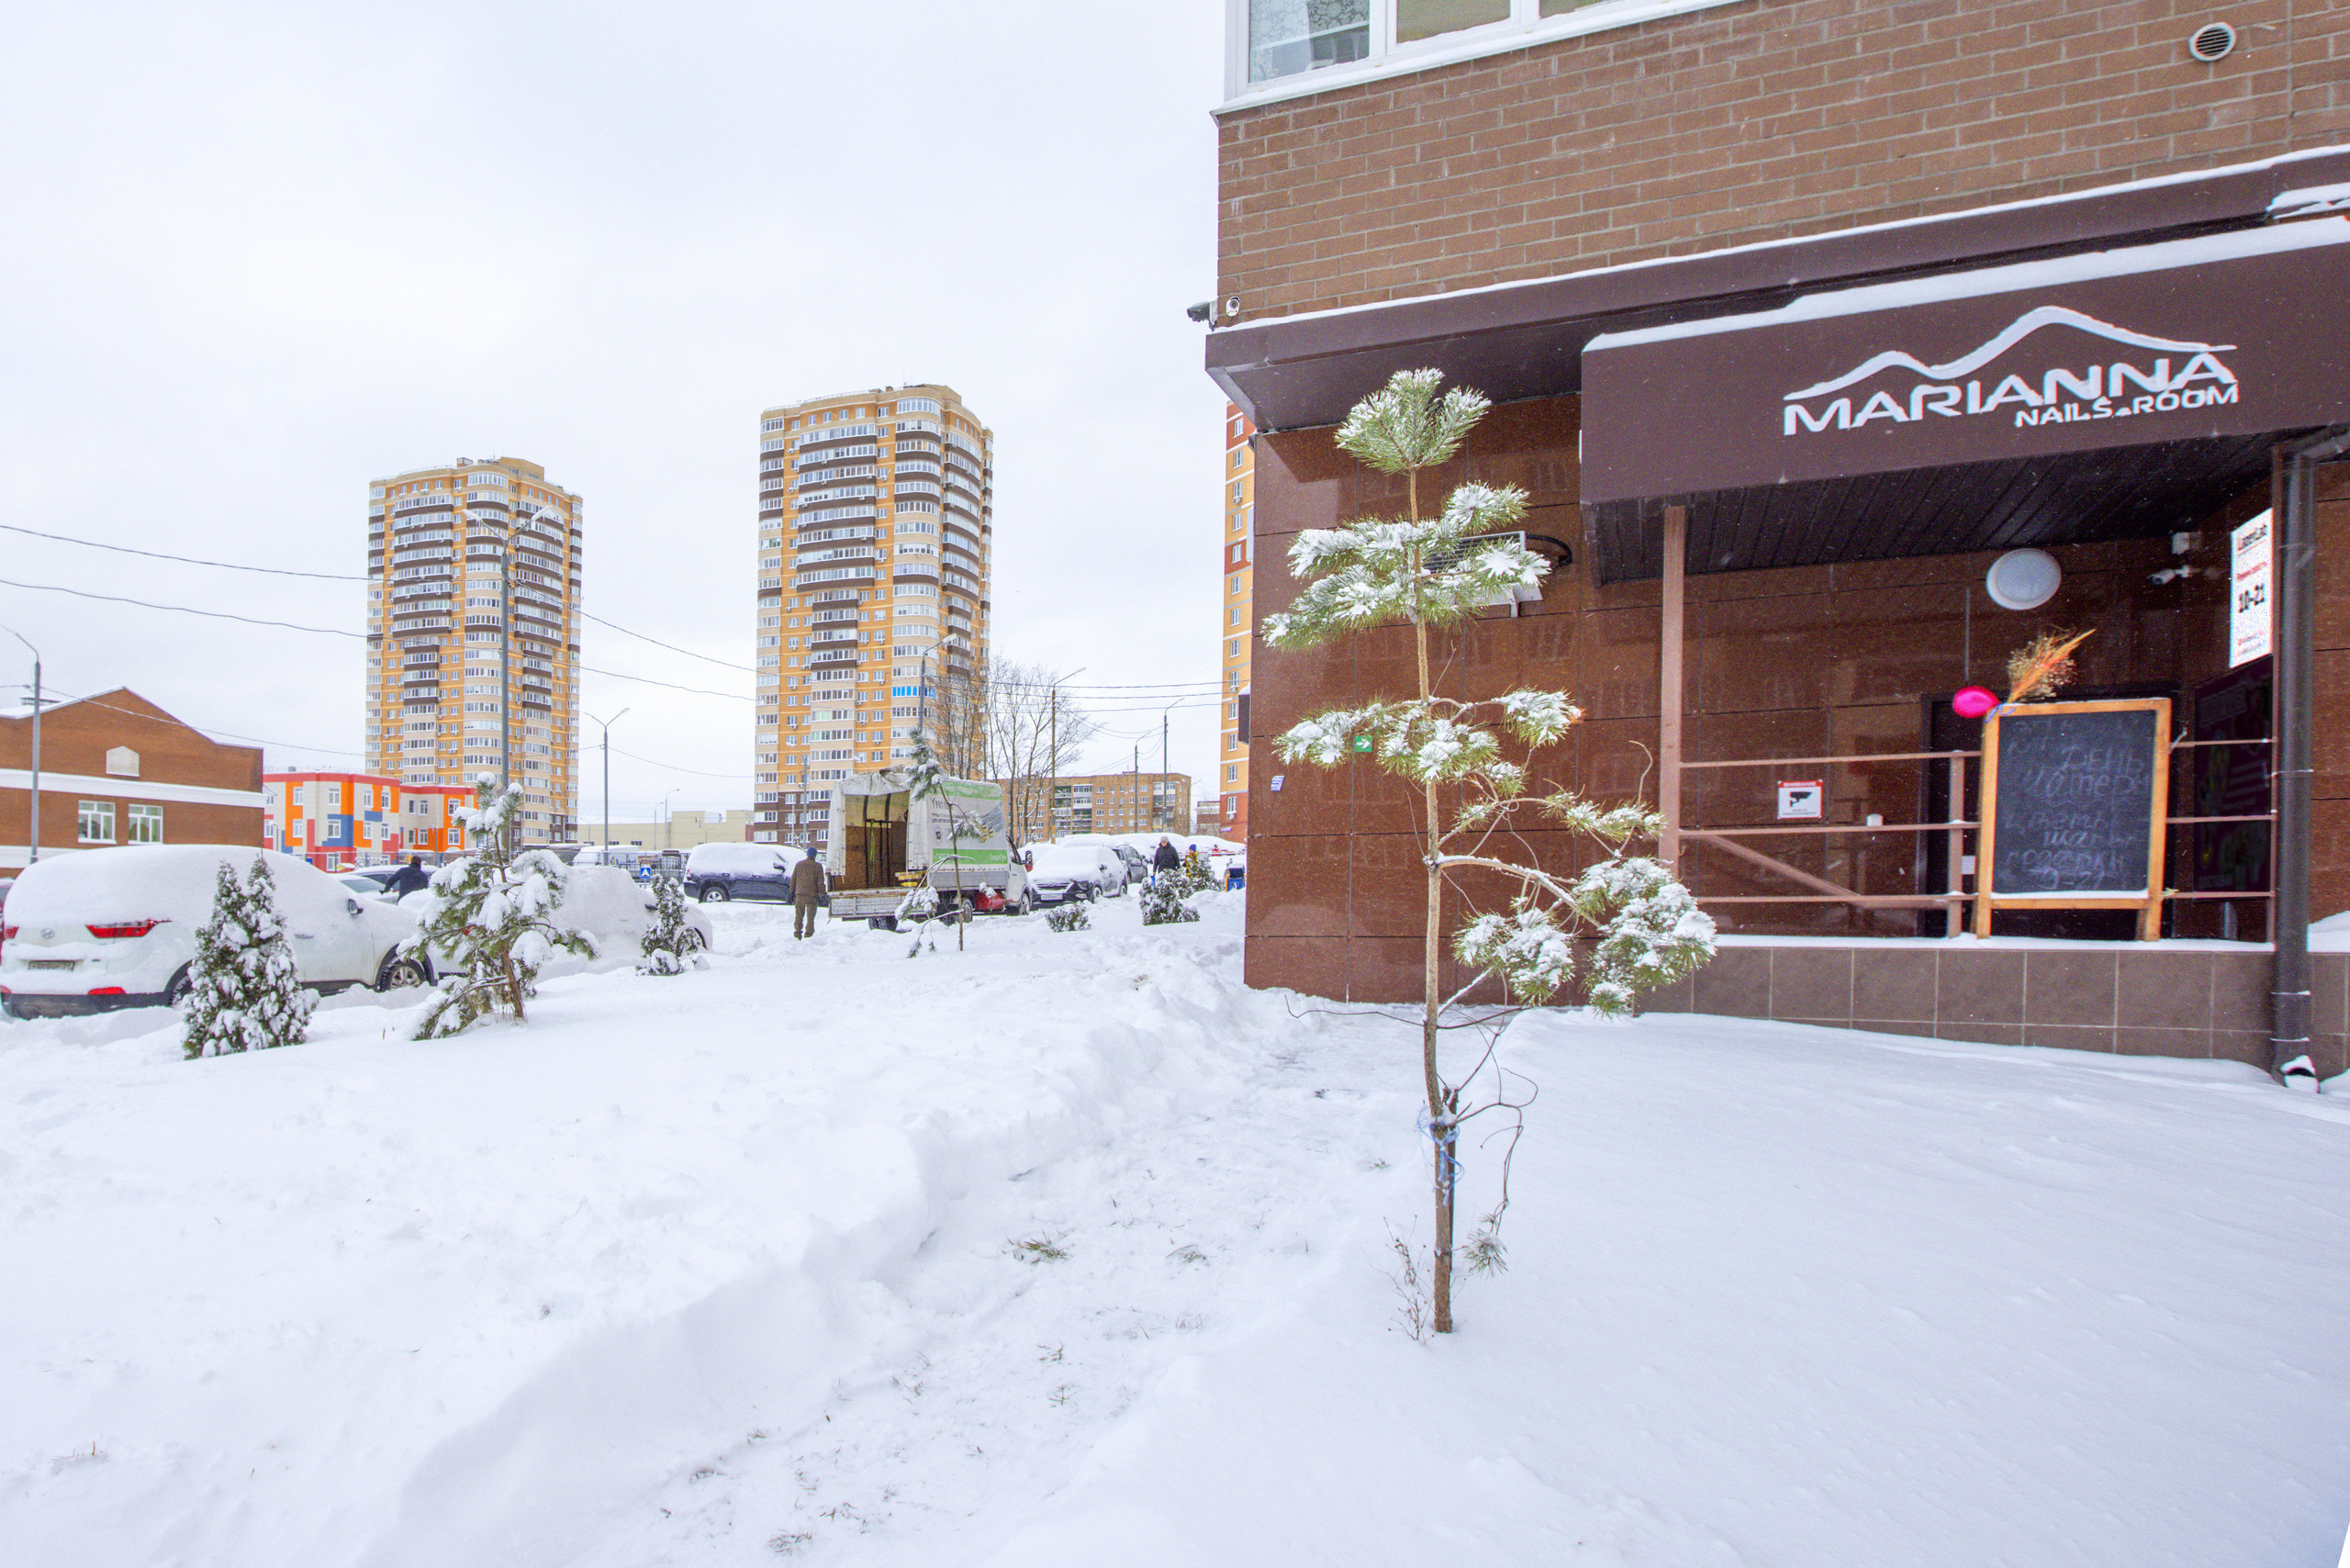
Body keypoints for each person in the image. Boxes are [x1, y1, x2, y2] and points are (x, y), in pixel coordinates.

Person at [790, 846, 826, 939]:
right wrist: (822, 893)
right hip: (812, 895)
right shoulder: (818, 866)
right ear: (815, 855)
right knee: (810, 917)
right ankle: (808, 934)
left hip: (800, 894)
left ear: (807, 854)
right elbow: (820, 881)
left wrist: (792, 891)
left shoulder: (799, 865)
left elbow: (793, 879)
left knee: (799, 915)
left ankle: (798, 933)